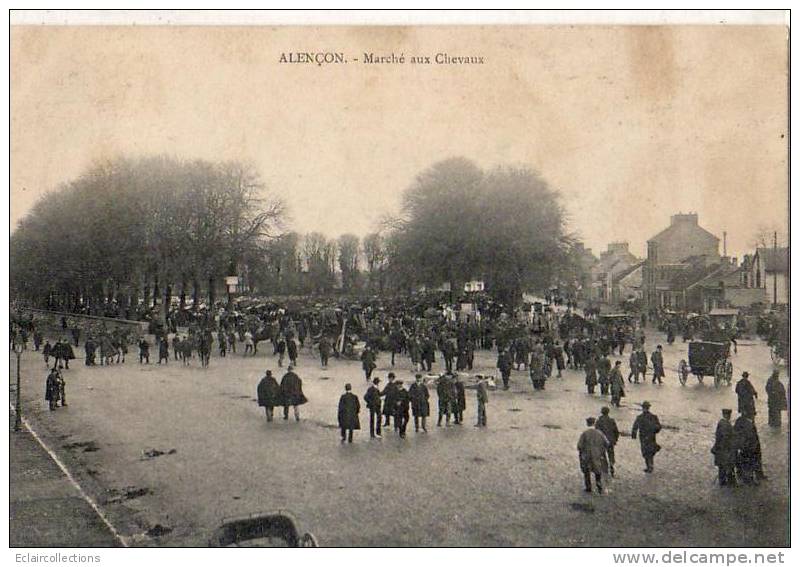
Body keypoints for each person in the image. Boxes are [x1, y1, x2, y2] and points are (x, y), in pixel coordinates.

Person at [577, 417, 610, 493]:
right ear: (594, 423)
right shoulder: (600, 433)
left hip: (587, 455)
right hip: (597, 454)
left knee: (586, 471)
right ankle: (599, 485)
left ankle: (588, 487)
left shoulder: (585, 433)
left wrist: (582, 452)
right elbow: (607, 443)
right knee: (597, 470)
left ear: (587, 424)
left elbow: (579, 445)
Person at [734, 412, 766, 485]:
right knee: (749, 463)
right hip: (750, 448)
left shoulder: (741, 421)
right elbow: (749, 438)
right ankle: (749, 479)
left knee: (748, 463)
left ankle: (748, 476)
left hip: (748, 447)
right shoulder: (749, 425)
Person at [631, 401, 662, 473]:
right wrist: (655, 431)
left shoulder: (640, 417)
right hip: (651, 437)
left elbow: (635, 427)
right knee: (650, 451)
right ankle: (650, 465)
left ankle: (649, 466)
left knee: (645, 452)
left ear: (643, 408)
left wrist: (634, 435)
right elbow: (659, 427)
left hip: (643, 437)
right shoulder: (653, 417)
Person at [711, 409, 736, 486]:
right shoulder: (725, 425)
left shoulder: (722, 422)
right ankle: (724, 481)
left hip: (721, 448)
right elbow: (725, 437)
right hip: (724, 449)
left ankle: (724, 480)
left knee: (722, 465)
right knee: (725, 464)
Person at [595, 406, 619, 476]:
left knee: (602, 454)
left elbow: (597, 431)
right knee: (611, 453)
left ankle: (605, 468)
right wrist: (615, 439)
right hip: (610, 440)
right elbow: (616, 431)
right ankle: (611, 463)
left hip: (602, 441)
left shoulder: (599, 421)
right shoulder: (612, 421)